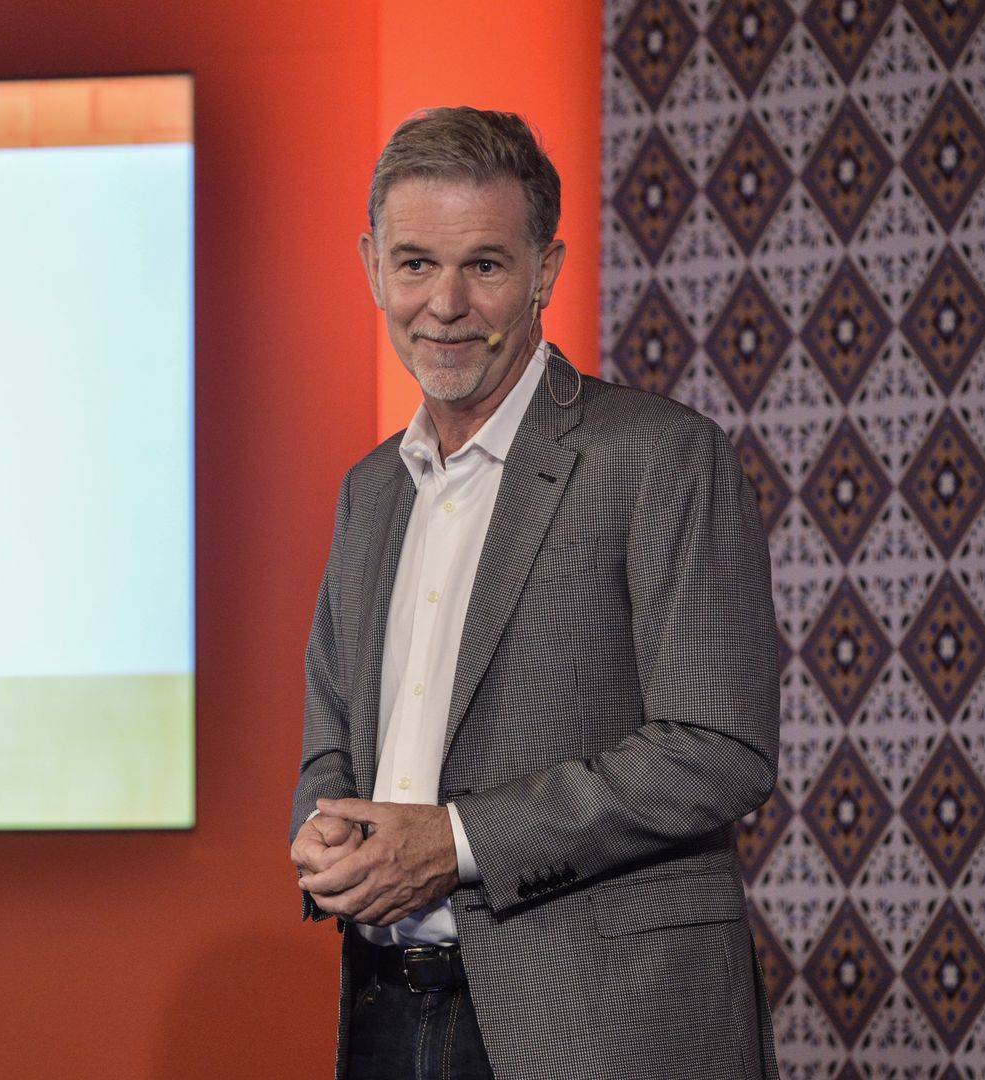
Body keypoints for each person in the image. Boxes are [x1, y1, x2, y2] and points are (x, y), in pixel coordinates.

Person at [288, 107, 780, 1080]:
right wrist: (326, 832)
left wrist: (457, 841)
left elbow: (719, 750)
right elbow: (334, 736)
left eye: (485, 264)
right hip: (385, 1010)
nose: (445, 304)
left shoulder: (657, 459)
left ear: (546, 271)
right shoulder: (369, 490)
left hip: (595, 1024)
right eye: (416, 263)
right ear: (370, 265)